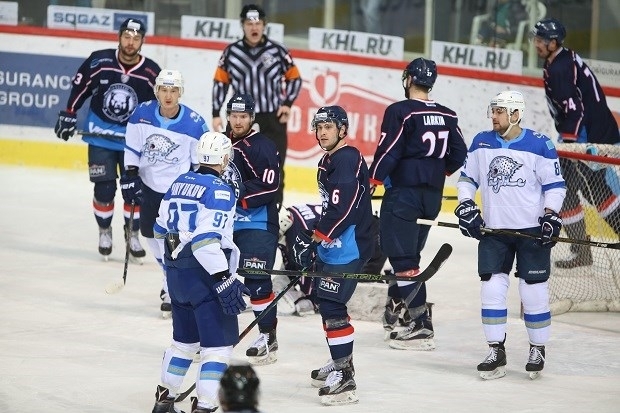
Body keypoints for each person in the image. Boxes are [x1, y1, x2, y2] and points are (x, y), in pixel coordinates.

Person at [455, 90, 566, 380]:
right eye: (492, 110)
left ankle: (537, 348)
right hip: (494, 230)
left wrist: (551, 215)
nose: (493, 116)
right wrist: (466, 204)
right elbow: (467, 179)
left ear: (516, 114)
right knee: (491, 289)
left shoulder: (540, 144)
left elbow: (555, 186)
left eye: (499, 111)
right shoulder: (481, 142)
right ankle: (496, 350)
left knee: (533, 291)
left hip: (531, 232)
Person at [368, 58, 467, 351]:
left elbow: (389, 149)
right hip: (432, 197)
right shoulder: (448, 115)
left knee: (403, 259)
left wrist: (373, 179)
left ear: (409, 79)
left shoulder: (401, 111)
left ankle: (421, 324)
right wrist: (436, 172)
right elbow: (460, 152)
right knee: (409, 256)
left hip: (404, 196)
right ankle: (398, 306)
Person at [151, 131, 249, 413]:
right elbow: (205, 243)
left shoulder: (179, 182)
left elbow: (159, 230)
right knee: (217, 348)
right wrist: (223, 278)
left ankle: (164, 400)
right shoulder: (220, 190)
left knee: (184, 343)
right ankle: (204, 406)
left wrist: (170, 267)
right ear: (225, 158)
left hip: (177, 275)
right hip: (204, 276)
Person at [54, 18, 161, 261]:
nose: (130, 42)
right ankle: (104, 231)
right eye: (127, 37)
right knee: (104, 189)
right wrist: (70, 112)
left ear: (142, 41)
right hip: (100, 136)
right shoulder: (99, 61)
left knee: (134, 191)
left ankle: (132, 234)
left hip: (133, 143)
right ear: (119, 37)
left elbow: (157, 107)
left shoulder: (151, 71)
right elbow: (80, 88)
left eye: (136, 38)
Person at [290, 105, 373, 406]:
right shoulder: (330, 159)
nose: (322, 132)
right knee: (327, 303)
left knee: (333, 305)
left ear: (342, 130)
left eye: (328, 127)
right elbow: (331, 207)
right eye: (319, 127)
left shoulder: (346, 158)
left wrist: (315, 238)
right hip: (335, 244)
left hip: (350, 245)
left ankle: (345, 375)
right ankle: (340, 360)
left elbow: (344, 209)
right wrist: (316, 237)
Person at [531, 17, 620, 269]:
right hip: (596, 134)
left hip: (587, 138)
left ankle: (581, 250)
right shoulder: (560, 59)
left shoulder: (559, 68)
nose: (536, 43)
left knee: (561, 190)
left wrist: (571, 146)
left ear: (553, 43)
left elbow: (575, 111)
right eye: (535, 38)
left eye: (541, 40)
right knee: (598, 191)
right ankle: (582, 250)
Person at [122, 69, 209, 318]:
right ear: (156, 91)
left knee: (172, 240)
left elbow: (199, 164)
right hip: (148, 186)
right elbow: (132, 147)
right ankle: (167, 276)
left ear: (180, 93)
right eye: (163, 90)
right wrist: (130, 176)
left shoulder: (194, 123)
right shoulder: (142, 113)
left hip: (177, 192)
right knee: (150, 234)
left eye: (173, 90)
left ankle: (171, 286)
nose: (168, 95)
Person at [212, 3, 302, 208]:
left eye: (258, 23)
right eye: (249, 23)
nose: (254, 27)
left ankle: (275, 210)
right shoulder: (231, 52)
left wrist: (287, 103)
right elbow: (220, 82)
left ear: (264, 25)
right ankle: (230, 205)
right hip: (239, 116)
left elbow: (295, 78)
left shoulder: (277, 51)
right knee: (231, 162)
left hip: (272, 117)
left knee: (275, 165)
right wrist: (216, 112)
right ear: (242, 25)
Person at [221, 93, 282, 366]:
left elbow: (270, 186)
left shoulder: (263, 146)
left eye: (243, 116)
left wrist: (236, 195)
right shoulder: (220, 142)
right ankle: (214, 336)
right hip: (224, 223)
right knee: (215, 278)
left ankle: (267, 337)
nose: (238, 121)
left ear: (252, 118)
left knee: (256, 280)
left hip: (257, 222)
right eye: (234, 116)